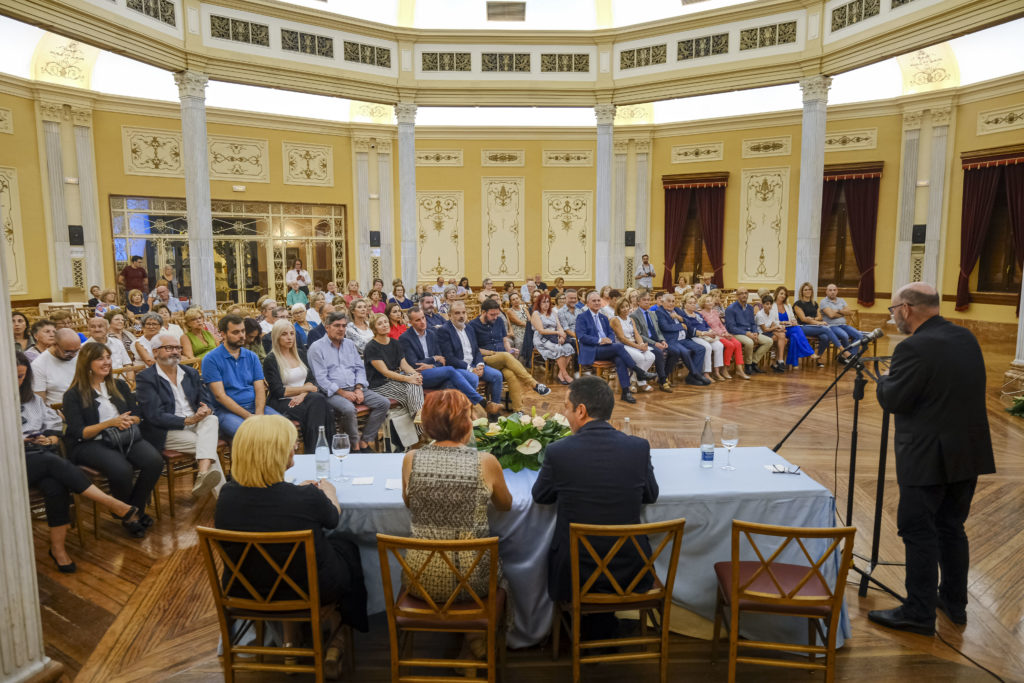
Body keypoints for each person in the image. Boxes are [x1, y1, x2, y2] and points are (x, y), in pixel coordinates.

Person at [867, 283, 995, 636]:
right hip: (966, 452)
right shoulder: (965, 338)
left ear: (907, 308)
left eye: (893, 311)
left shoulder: (914, 348)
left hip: (927, 456)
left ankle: (919, 612)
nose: (893, 318)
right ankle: (955, 603)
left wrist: (883, 380)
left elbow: (894, 400)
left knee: (918, 531)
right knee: (952, 528)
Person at [214, 415, 368, 677]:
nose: (295, 447)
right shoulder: (305, 498)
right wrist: (327, 492)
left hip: (246, 589)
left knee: (280, 561)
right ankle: (338, 638)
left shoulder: (226, 497)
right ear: (274, 452)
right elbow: (333, 517)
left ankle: (289, 643)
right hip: (306, 589)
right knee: (346, 548)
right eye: (290, 443)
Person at [532, 376, 659, 639]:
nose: (564, 414)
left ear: (581, 410)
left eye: (566, 407)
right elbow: (651, 495)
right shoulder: (638, 447)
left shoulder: (558, 451)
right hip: (631, 570)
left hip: (574, 573)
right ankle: (605, 629)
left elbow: (541, 497)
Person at [401, 390, 512, 663]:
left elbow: (409, 502)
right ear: (466, 422)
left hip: (421, 578)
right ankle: (477, 639)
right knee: (508, 577)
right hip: (473, 580)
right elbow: (505, 505)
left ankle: (471, 640)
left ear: (427, 423)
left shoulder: (411, 460)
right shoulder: (485, 462)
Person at [19, 352, 140, 571]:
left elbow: (53, 422)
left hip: (39, 452)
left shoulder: (32, 399)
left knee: (55, 486)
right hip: (12, 461)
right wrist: (22, 440)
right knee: (52, 463)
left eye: (21, 377)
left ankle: (58, 549)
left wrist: (52, 437)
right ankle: (114, 504)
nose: (18, 382)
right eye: (14, 377)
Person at [62, 343, 163, 538]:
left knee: (154, 461)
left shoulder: (119, 385)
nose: (107, 362)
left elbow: (137, 415)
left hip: (124, 435)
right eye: (100, 358)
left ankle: (133, 509)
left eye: (108, 357)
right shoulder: (73, 395)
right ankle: (131, 517)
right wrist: (109, 423)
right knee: (121, 469)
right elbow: (80, 432)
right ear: (87, 363)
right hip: (90, 443)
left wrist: (128, 420)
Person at [136, 333, 224, 499]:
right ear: (155, 352)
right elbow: (154, 415)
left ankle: (203, 474)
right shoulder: (146, 378)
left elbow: (206, 401)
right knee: (206, 446)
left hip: (196, 423)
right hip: (166, 430)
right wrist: (188, 420)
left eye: (178, 348)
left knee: (211, 418)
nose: (175, 352)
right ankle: (223, 499)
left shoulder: (189, 372)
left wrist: (206, 410)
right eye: (169, 348)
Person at [309, 312, 391, 453]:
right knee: (348, 409)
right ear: (327, 327)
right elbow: (321, 379)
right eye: (337, 326)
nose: (341, 329)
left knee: (383, 403)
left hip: (355, 387)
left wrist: (359, 388)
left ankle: (365, 440)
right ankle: (355, 445)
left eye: (344, 326)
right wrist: (343, 393)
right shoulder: (316, 348)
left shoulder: (349, 344)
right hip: (333, 392)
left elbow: (360, 368)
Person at [400, 308, 501, 417]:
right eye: (417, 320)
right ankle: (481, 403)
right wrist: (434, 359)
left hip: (436, 371)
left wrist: (433, 365)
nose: (422, 322)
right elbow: (414, 364)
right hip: (419, 375)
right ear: (410, 322)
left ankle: (462, 413)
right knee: (450, 370)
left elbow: (442, 359)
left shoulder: (431, 333)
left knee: (471, 378)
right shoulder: (405, 338)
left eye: (423, 318)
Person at [202, 314, 280, 438]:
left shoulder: (251, 356)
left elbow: (259, 388)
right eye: (236, 332)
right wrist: (249, 417)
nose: (242, 335)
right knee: (252, 434)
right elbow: (220, 396)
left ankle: (279, 457)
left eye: (243, 331)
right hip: (227, 411)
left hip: (255, 407)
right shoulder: (211, 359)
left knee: (284, 428)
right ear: (223, 334)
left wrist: (259, 414)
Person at [264, 319, 335, 452]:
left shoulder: (300, 353)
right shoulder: (271, 359)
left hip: (304, 398)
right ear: (276, 336)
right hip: (282, 401)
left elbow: (311, 380)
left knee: (318, 402)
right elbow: (279, 391)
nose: (289, 337)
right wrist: (306, 389)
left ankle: (316, 450)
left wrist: (303, 394)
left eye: (292, 333)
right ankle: (321, 450)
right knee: (319, 404)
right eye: (284, 334)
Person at [577, 292, 658, 404]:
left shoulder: (603, 317)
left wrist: (609, 339)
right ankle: (639, 371)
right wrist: (600, 340)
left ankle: (626, 392)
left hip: (607, 348)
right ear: (587, 303)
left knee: (620, 359)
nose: (597, 303)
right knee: (619, 347)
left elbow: (610, 332)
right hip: (593, 349)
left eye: (598, 300)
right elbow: (581, 337)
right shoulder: (582, 317)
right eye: (594, 301)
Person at [470, 299, 550, 412]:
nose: (495, 317)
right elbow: (475, 349)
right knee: (505, 356)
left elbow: (504, 339)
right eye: (492, 314)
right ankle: (534, 384)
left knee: (511, 374)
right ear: (483, 312)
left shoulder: (498, 321)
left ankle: (518, 411)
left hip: (502, 359)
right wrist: (495, 353)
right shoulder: (473, 325)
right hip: (485, 359)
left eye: (497, 314)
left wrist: (510, 349)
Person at [438, 301, 505, 420]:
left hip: (474, 364)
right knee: (473, 378)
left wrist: (480, 364)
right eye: (457, 313)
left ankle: (494, 412)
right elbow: (449, 357)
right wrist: (470, 369)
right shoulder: (445, 330)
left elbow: (476, 350)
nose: (461, 316)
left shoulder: (469, 328)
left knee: (497, 375)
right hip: (458, 367)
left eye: (463, 312)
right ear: (450, 315)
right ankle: (469, 414)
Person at [364, 313, 425, 421]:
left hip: (395, 380)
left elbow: (404, 364)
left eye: (386, 322)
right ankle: (422, 423)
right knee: (413, 389)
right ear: (374, 328)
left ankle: (419, 421)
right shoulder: (371, 347)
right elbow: (385, 372)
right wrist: (408, 378)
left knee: (414, 386)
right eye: (380, 323)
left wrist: (415, 375)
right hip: (379, 385)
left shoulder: (395, 343)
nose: (384, 325)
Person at [652, 291, 709, 386]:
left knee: (701, 349)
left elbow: (689, 322)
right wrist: (681, 326)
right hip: (672, 340)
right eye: (669, 301)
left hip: (684, 339)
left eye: (673, 301)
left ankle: (692, 378)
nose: (671, 303)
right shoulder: (660, 312)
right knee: (685, 352)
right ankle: (696, 374)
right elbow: (665, 327)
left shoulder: (677, 310)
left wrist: (679, 318)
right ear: (663, 302)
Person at [629, 290, 678, 392]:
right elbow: (639, 334)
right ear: (638, 302)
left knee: (674, 352)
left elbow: (658, 330)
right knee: (659, 353)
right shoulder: (634, 315)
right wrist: (655, 343)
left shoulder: (652, 313)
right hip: (645, 342)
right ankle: (663, 381)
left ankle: (661, 376)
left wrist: (662, 340)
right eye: (644, 300)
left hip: (656, 339)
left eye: (648, 300)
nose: (647, 302)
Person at [609, 298, 656, 392]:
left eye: (627, 306)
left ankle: (633, 380)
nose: (625, 309)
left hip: (633, 344)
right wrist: (638, 347)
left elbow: (636, 334)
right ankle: (641, 383)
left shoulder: (630, 319)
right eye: (622, 307)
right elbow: (622, 339)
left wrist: (642, 344)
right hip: (621, 346)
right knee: (640, 358)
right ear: (618, 309)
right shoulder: (615, 320)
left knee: (651, 356)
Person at [725, 288, 773, 376]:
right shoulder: (730, 309)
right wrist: (747, 334)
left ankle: (753, 362)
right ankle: (747, 365)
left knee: (769, 341)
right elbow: (731, 328)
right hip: (736, 333)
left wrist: (755, 332)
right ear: (737, 296)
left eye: (746, 293)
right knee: (749, 342)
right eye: (741, 293)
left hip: (750, 332)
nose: (744, 295)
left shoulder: (750, 308)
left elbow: (753, 323)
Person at [793, 282, 845, 363]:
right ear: (802, 292)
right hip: (803, 327)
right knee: (826, 329)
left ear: (812, 291)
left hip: (815, 327)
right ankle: (842, 349)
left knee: (825, 337)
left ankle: (818, 357)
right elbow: (803, 319)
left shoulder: (814, 303)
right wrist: (819, 323)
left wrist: (812, 319)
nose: (808, 291)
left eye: (809, 289)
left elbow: (820, 317)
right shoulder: (797, 304)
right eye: (805, 290)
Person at [531, 292, 575, 385]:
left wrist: (561, 336)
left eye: (547, 302)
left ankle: (561, 374)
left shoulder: (553, 312)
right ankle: (565, 374)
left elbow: (559, 326)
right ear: (539, 303)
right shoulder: (536, 313)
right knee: (558, 348)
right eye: (543, 302)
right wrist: (557, 333)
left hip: (554, 336)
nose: (546, 304)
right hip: (541, 338)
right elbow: (541, 330)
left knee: (569, 347)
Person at [680, 294, 727, 382]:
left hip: (706, 335)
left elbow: (705, 324)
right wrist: (705, 333)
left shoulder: (697, 313)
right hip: (694, 336)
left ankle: (716, 372)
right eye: (690, 303)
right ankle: (706, 373)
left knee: (719, 345)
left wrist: (710, 331)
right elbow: (690, 330)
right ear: (684, 304)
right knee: (707, 347)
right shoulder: (683, 315)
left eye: (694, 303)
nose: (693, 305)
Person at [766, 286, 815, 370]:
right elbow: (771, 321)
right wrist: (783, 322)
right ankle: (807, 354)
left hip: (788, 328)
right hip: (778, 328)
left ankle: (793, 362)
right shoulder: (772, 305)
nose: (783, 296)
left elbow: (792, 317)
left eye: (785, 294)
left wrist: (793, 321)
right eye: (781, 293)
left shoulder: (787, 305)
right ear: (777, 294)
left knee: (796, 331)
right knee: (796, 333)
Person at [698, 294, 746, 379]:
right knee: (730, 345)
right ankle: (725, 368)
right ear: (703, 303)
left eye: (711, 301)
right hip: (714, 336)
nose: (710, 303)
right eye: (707, 301)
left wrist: (726, 333)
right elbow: (707, 329)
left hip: (723, 334)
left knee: (738, 344)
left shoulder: (715, 312)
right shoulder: (701, 314)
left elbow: (721, 324)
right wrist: (722, 335)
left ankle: (739, 369)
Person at [32, 328, 81, 405]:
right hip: (58, 410)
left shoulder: (80, 355)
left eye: (76, 351)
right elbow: (40, 402)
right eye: (67, 352)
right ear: (54, 345)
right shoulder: (38, 365)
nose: (73, 355)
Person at [819, 283, 865, 347]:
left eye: (834, 290)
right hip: (831, 326)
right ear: (826, 292)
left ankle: (852, 355)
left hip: (843, 325)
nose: (832, 292)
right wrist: (843, 313)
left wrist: (838, 311)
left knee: (859, 336)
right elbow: (831, 315)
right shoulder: (823, 302)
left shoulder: (841, 300)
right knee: (844, 335)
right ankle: (847, 354)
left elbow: (849, 312)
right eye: (830, 290)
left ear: (837, 291)